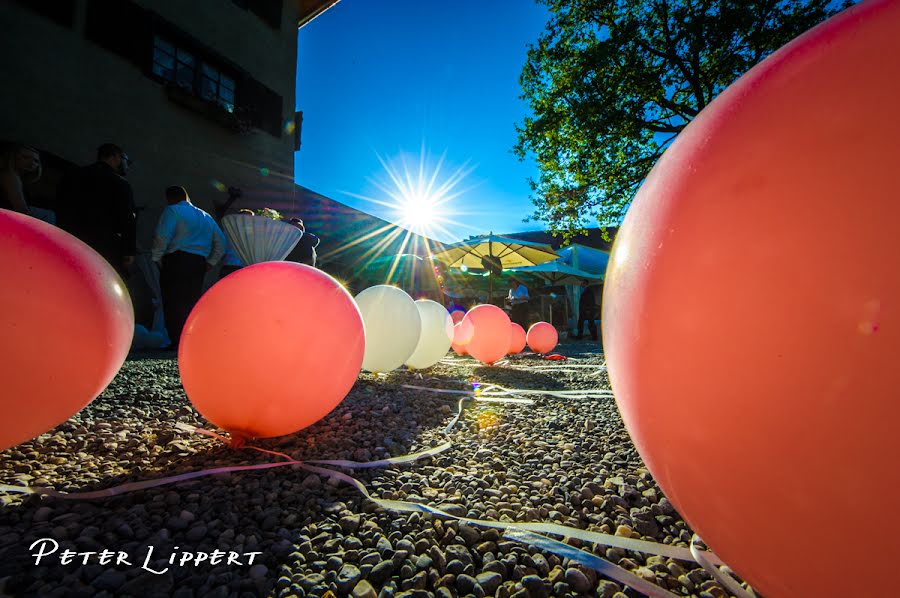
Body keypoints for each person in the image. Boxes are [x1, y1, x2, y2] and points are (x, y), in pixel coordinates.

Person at [151, 186, 225, 347]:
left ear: (169, 198)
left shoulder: (172, 210)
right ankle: (190, 339)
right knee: (191, 301)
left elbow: (162, 235)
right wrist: (211, 262)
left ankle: (176, 340)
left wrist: (157, 257)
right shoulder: (205, 216)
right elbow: (221, 241)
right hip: (198, 262)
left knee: (173, 301)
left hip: (176, 259)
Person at [56, 143, 136, 274]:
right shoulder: (119, 183)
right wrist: (129, 250)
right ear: (115, 156)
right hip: (105, 246)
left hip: (70, 240)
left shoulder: (73, 176)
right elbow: (127, 218)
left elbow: (60, 206)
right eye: (126, 160)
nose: (127, 165)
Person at [0, 143, 42, 215]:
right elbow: (21, 209)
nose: (32, 163)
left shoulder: (15, 176)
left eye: (36, 161)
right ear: (13, 157)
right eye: (25, 157)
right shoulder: (10, 176)